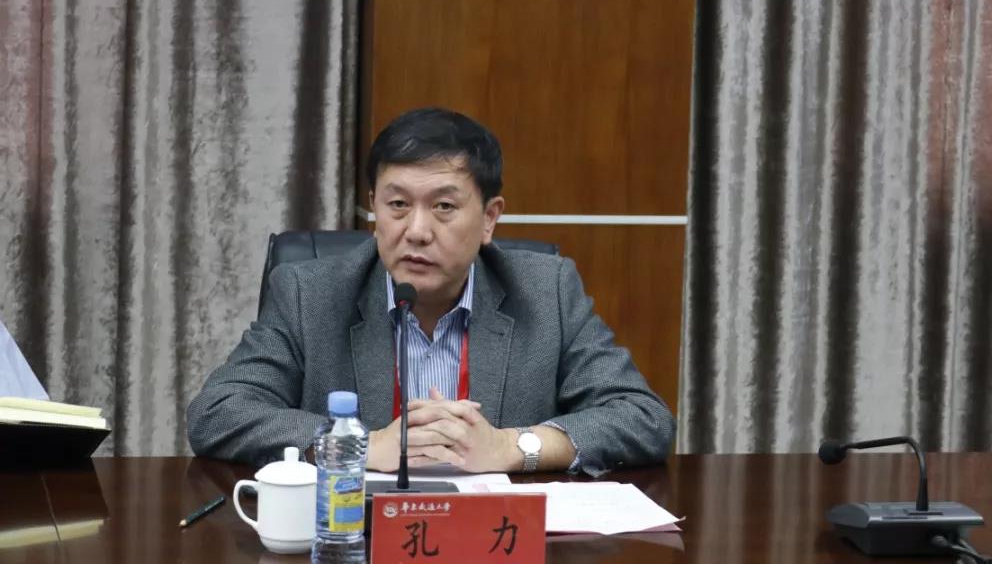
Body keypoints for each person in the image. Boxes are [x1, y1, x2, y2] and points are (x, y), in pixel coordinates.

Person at [187, 108, 674, 475]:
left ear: (489, 218)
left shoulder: (546, 291)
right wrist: (357, 444)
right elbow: (218, 412)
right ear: (374, 207)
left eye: (443, 207)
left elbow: (643, 417)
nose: (416, 231)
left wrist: (513, 447)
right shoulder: (309, 294)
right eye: (397, 204)